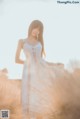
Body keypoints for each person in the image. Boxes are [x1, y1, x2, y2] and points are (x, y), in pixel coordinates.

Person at [15, 20, 64, 119]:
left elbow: (41, 61)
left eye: (39, 29)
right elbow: (16, 60)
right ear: (31, 27)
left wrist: (55, 64)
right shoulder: (21, 41)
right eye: (35, 27)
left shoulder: (39, 43)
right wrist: (28, 63)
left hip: (39, 73)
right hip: (28, 73)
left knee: (37, 97)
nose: (36, 31)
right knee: (27, 96)